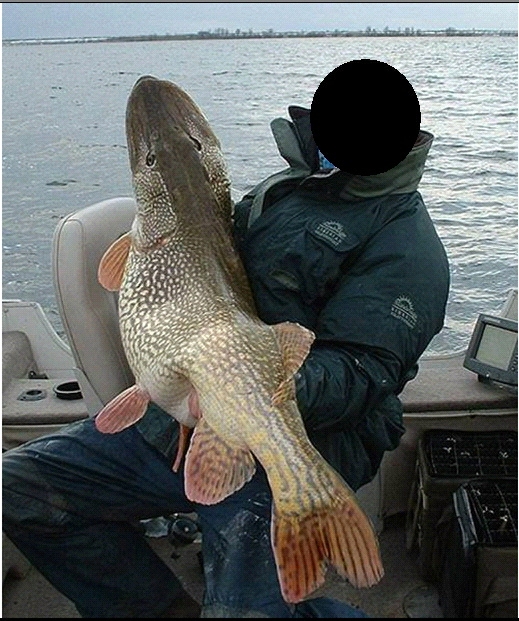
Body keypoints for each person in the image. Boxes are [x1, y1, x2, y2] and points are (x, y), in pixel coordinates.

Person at [3, 105, 450, 618]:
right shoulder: (289, 190)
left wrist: (241, 392)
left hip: (308, 437)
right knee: (18, 489)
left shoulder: (410, 250)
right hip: (179, 416)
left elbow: (360, 373)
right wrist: (207, 380)